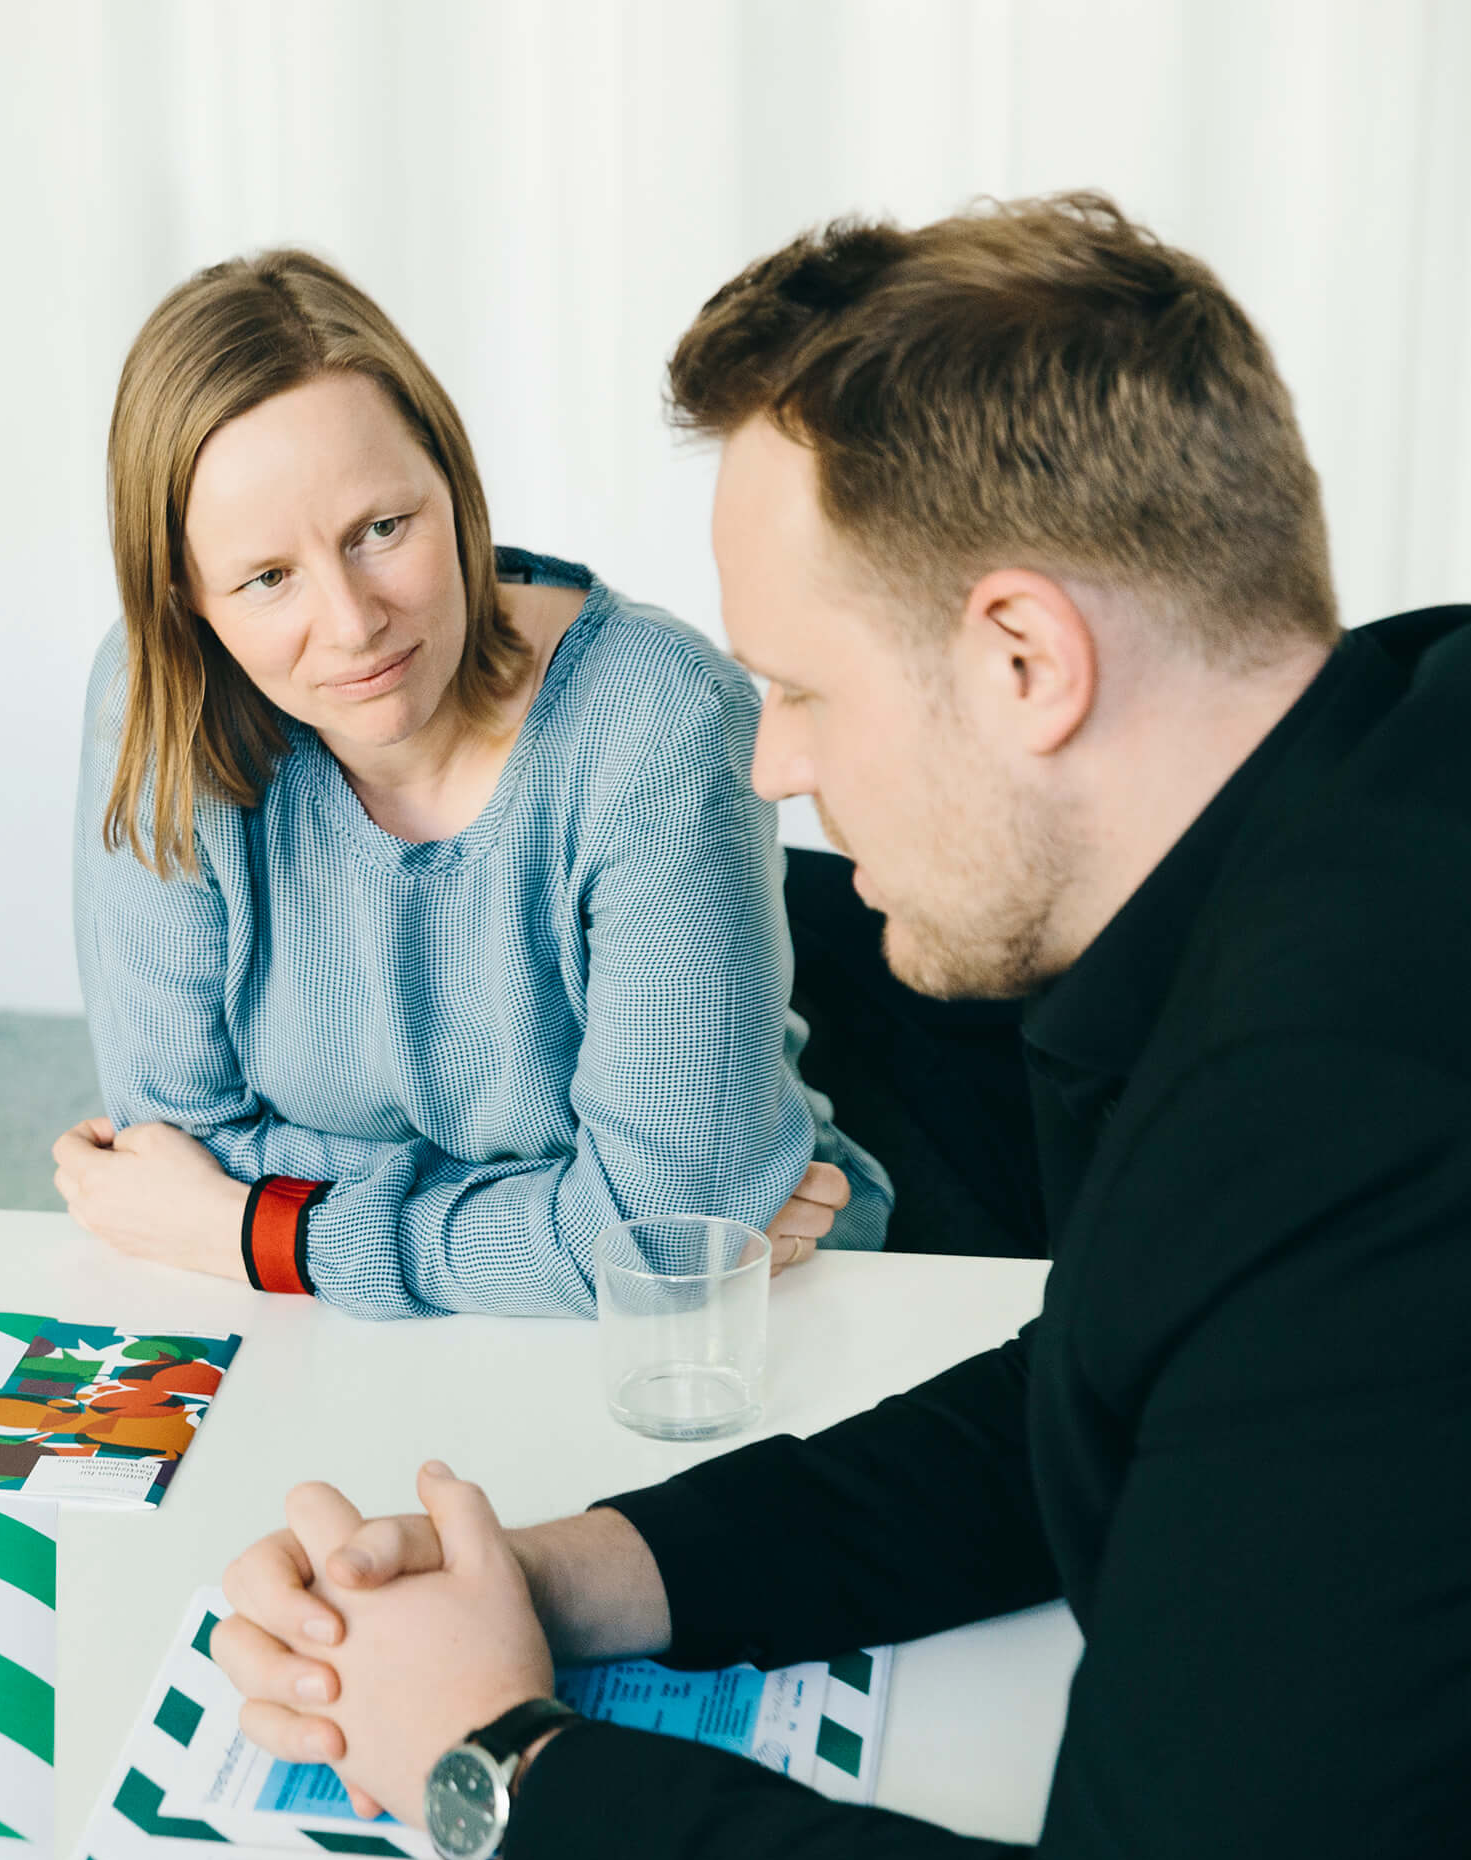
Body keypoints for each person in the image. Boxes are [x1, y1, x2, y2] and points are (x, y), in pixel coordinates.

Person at [206, 195, 1471, 1860]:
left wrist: (500, 1770)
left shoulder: (1356, 1149)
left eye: (795, 691)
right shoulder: (1389, 745)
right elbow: (1099, 1378)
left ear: (1025, 659)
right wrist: (578, 1576)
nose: (769, 768)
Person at [55, 250, 890, 1316]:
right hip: (337, 1329)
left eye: (380, 531)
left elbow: (666, 1237)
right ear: (188, 600)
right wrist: (583, 1222)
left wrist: (257, 1229)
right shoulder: (152, 701)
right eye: (267, 579)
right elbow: (175, 1138)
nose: (353, 623)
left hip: (739, 1331)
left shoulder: (661, 720)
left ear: (454, 487)